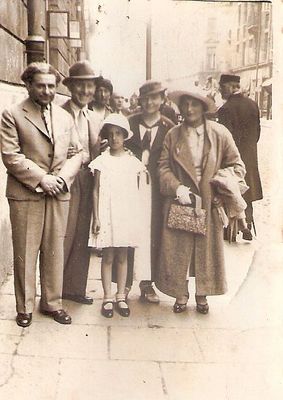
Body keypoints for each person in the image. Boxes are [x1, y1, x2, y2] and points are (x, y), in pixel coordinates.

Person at [0, 62, 82, 327]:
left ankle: (52, 303)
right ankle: (24, 308)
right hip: (27, 193)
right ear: (28, 84)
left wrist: (62, 178)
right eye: (41, 85)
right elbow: (11, 156)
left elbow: (78, 152)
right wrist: (42, 179)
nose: (47, 91)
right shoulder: (12, 114)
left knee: (54, 249)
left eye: (51, 86)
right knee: (25, 250)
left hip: (58, 192)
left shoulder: (65, 117)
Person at [155, 90, 245, 314]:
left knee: (205, 250)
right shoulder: (173, 135)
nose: (189, 109)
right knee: (180, 247)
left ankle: (202, 293)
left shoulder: (219, 134)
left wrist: (221, 183)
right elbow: (163, 167)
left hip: (209, 200)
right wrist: (177, 187)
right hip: (182, 200)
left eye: (194, 104)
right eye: (185, 104)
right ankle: (181, 292)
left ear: (204, 108)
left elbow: (237, 166)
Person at [89, 113, 146, 318]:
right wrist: (96, 217)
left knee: (123, 256)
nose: (114, 138)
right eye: (111, 134)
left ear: (125, 136)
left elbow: (136, 192)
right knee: (108, 257)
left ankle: (121, 295)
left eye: (118, 134)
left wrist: (134, 217)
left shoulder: (133, 162)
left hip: (125, 215)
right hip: (106, 213)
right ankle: (107, 297)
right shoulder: (101, 161)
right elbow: (95, 190)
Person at [123, 80, 175, 303]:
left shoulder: (169, 127)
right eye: (146, 98)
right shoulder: (128, 123)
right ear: (139, 100)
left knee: (153, 233)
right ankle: (123, 284)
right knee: (127, 232)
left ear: (163, 99)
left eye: (155, 97)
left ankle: (147, 283)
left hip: (156, 190)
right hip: (130, 188)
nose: (150, 102)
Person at [61, 61, 101, 304]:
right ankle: (54, 290)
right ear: (71, 87)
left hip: (88, 178)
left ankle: (74, 288)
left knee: (82, 234)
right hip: (67, 179)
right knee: (64, 233)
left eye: (90, 86)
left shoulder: (93, 117)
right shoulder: (60, 112)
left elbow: (94, 148)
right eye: (81, 86)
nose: (86, 91)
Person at [218, 74, 263, 240]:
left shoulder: (225, 109)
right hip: (250, 157)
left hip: (233, 159)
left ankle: (231, 228)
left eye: (222, 87)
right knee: (248, 189)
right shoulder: (253, 105)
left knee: (230, 189)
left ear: (230, 87)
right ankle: (248, 223)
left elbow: (225, 140)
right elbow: (257, 134)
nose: (220, 90)